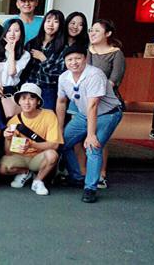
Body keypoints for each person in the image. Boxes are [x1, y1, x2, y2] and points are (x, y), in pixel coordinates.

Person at [57, 46, 124, 203]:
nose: (74, 62)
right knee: (62, 142)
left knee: (93, 147)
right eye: (69, 59)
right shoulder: (64, 77)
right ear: (65, 62)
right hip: (83, 114)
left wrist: (91, 134)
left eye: (78, 58)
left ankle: (90, 188)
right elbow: (61, 102)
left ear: (85, 59)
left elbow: (93, 105)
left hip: (107, 114)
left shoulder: (95, 74)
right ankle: (76, 177)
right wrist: (59, 128)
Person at [0, 83, 62, 196]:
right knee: (2, 168)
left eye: (31, 98)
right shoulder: (13, 121)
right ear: (19, 101)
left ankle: (38, 181)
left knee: (52, 155)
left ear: (38, 101)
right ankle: (25, 173)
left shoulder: (49, 115)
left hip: (39, 157)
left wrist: (32, 144)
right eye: (23, 98)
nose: (27, 102)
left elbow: (54, 145)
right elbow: (8, 153)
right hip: (21, 156)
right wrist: (7, 139)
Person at [87, 18, 126, 189]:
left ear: (108, 34)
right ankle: (84, 172)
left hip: (107, 103)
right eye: (91, 30)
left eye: (97, 30)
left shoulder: (116, 53)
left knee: (100, 139)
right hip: (87, 100)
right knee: (84, 137)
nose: (92, 33)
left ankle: (101, 174)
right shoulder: (88, 50)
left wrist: (96, 92)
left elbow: (114, 80)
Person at [24, 10, 67, 110]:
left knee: (46, 116)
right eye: (48, 21)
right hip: (29, 87)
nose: (51, 25)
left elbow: (58, 74)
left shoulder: (63, 48)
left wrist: (43, 59)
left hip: (49, 89)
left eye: (56, 22)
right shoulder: (32, 43)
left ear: (60, 25)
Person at [0, 19, 30, 100]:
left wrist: (11, 52)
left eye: (16, 31)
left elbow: (11, 72)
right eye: (9, 30)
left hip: (9, 91)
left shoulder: (25, 54)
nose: (12, 34)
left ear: (21, 33)